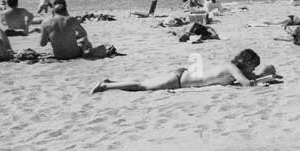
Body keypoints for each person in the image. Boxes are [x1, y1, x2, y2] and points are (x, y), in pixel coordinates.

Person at [91, 49, 281, 93]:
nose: (253, 69)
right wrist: (269, 78)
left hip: (183, 75)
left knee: (144, 82)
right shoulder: (231, 69)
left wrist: (269, 73)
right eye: (253, 65)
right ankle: (106, 85)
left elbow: (250, 78)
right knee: (143, 86)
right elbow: (249, 84)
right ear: (246, 63)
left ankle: (111, 80)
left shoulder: (233, 69)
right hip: (179, 79)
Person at [38, 0, 119, 58]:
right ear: (65, 11)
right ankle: (90, 53)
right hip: (74, 54)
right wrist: (71, 37)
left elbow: (42, 44)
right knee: (85, 40)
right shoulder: (71, 20)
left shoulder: (45, 23)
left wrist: (53, 38)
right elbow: (84, 34)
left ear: (53, 12)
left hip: (59, 56)